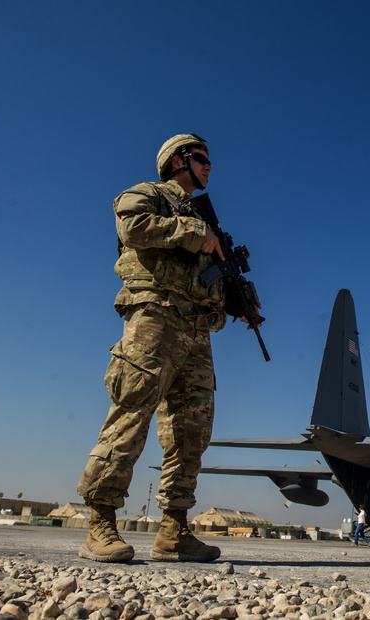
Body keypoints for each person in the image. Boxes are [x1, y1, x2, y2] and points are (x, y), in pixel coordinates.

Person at [77, 133, 249, 563]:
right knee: (130, 415)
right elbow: (132, 227)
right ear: (178, 160)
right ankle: (100, 523)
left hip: (197, 332)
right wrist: (194, 232)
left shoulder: (204, 218)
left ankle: (174, 529)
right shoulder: (147, 195)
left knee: (192, 434)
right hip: (154, 321)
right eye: (203, 159)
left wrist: (240, 301)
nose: (210, 167)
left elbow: (207, 275)